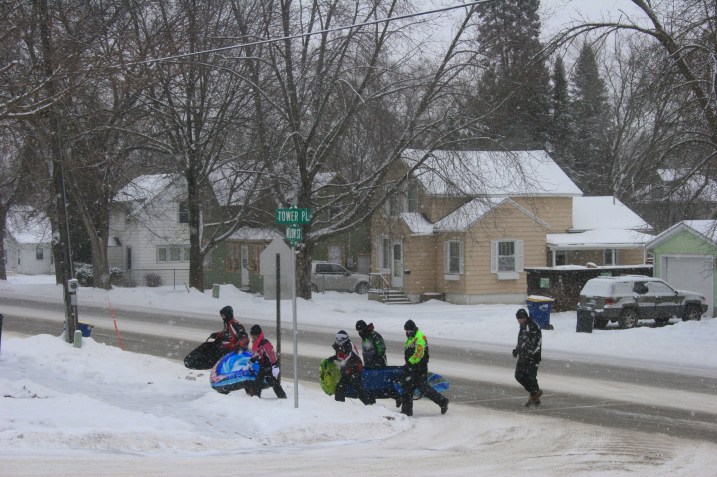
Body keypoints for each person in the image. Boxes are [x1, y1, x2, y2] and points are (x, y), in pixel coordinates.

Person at [400, 320, 448, 416]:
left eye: (409, 331)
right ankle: (406, 412)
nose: (407, 332)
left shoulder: (420, 338)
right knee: (407, 389)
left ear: (413, 329)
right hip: (411, 368)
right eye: (406, 331)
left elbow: (419, 354)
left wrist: (410, 362)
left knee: (424, 389)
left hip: (419, 368)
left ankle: (443, 401)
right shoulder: (410, 338)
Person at [328, 330, 374, 405]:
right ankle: (339, 405)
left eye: (342, 337)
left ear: (346, 338)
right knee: (340, 388)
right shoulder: (339, 346)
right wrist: (333, 358)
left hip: (355, 369)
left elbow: (346, 357)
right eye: (338, 337)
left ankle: (370, 403)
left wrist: (336, 357)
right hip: (346, 371)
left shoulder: (349, 345)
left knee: (357, 388)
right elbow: (340, 356)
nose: (339, 339)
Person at [512, 308, 543, 407]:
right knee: (518, 375)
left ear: (523, 318)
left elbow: (536, 343)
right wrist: (517, 349)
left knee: (531, 376)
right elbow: (522, 341)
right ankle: (535, 393)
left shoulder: (533, 326)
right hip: (523, 356)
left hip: (533, 357)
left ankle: (534, 396)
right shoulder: (523, 326)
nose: (518, 321)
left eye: (519, 319)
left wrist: (530, 353)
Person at [246, 325, 287, 399]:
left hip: (269, 365)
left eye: (253, 335)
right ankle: (256, 396)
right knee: (265, 381)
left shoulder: (265, 343)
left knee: (267, 381)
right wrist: (251, 361)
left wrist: (275, 366)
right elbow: (257, 354)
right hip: (263, 365)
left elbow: (272, 356)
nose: (251, 337)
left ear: (257, 335)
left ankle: (282, 397)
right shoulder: (258, 343)